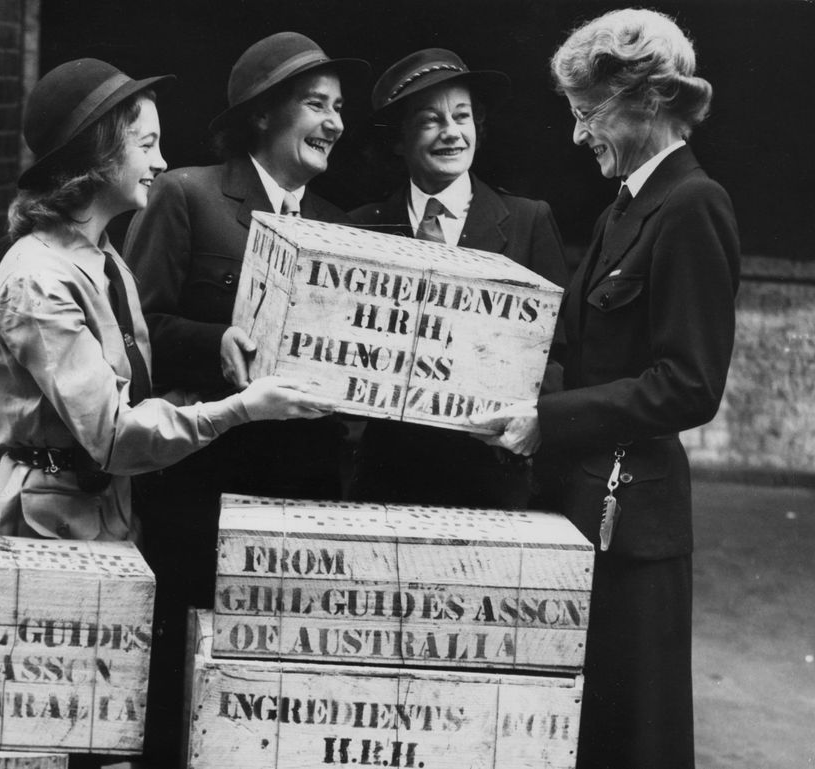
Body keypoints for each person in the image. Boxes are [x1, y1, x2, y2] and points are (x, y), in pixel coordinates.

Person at [471, 10, 740, 769]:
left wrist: (547, 420)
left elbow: (689, 384)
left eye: (588, 113)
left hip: (635, 530)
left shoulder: (693, 205)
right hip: (590, 514)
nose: (578, 134)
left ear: (650, 100)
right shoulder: (629, 205)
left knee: (634, 742)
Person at [120, 33, 368, 764]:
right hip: (203, 490)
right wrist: (214, 340)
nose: (335, 123)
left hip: (303, 494)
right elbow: (136, 335)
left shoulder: (338, 222)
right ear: (262, 116)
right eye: (316, 105)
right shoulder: (187, 194)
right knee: (183, 682)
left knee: (270, 693)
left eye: (340, 109)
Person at [0, 58, 334, 545]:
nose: (161, 162)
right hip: (50, 528)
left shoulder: (102, 261)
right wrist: (242, 409)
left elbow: (134, 403)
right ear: (98, 155)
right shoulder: (40, 282)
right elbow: (116, 436)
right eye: (147, 145)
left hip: (102, 512)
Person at [348, 48, 568, 508]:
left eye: (462, 116)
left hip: (492, 480)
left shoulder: (527, 222)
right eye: (430, 120)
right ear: (398, 139)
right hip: (384, 478)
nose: (451, 132)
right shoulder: (360, 229)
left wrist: (523, 419)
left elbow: (560, 353)